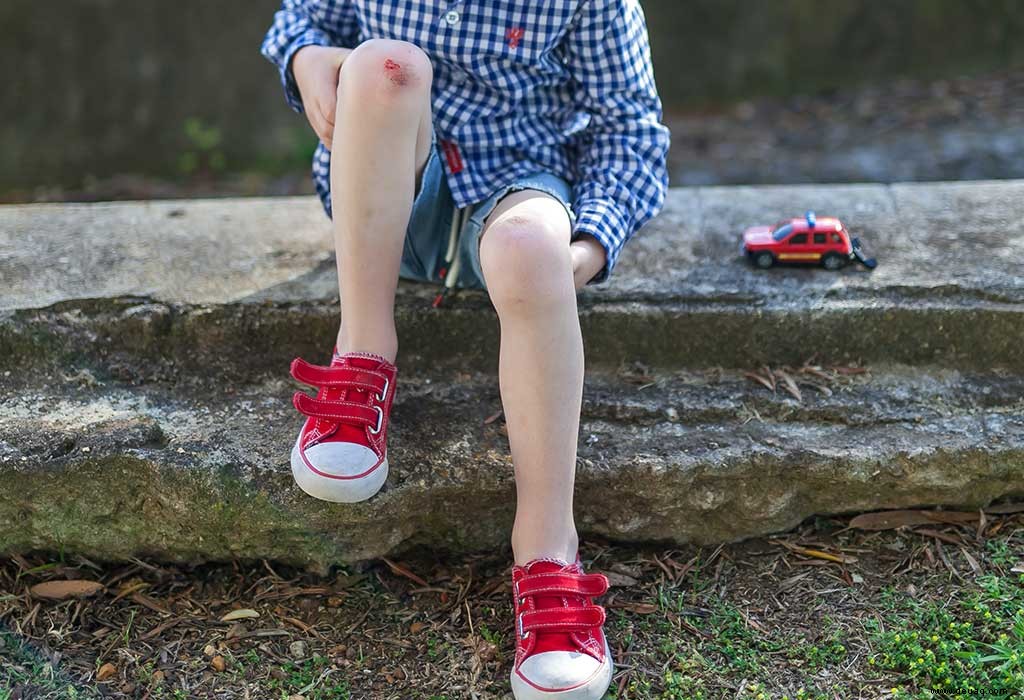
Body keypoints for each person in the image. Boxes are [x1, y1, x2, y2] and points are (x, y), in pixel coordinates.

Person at [261, 2, 669, 696]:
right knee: (386, 65)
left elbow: (629, 130)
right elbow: (301, 19)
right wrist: (306, 62)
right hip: (390, 194)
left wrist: (584, 249)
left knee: (529, 242)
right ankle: (363, 355)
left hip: (515, 190)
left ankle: (547, 552)